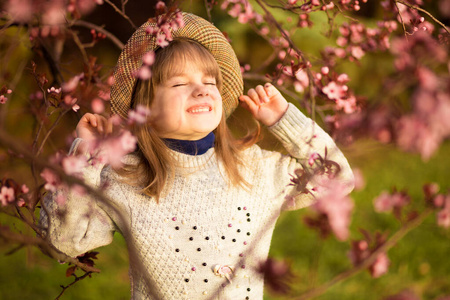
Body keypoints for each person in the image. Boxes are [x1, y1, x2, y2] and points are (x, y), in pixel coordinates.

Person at [40, 12, 354, 300]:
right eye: (179, 83)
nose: (201, 90)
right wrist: (85, 159)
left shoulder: (255, 169)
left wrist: (285, 119)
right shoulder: (126, 178)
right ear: (145, 109)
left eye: (209, 81)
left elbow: (337, 178)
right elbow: (65, 242)